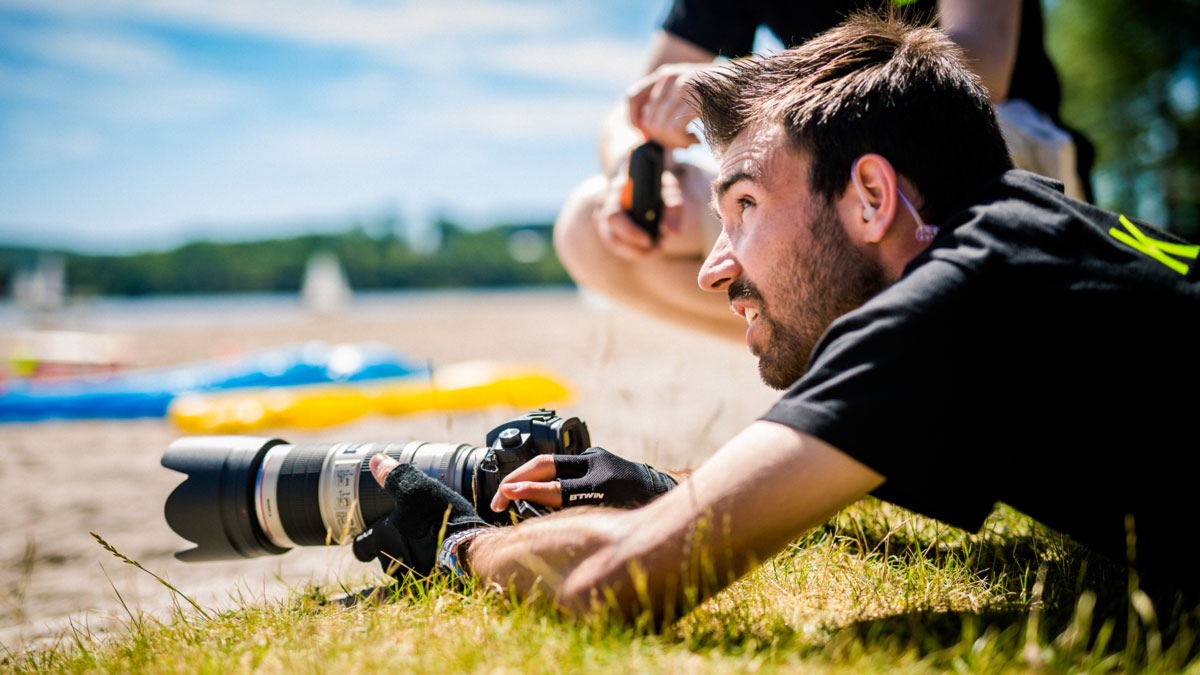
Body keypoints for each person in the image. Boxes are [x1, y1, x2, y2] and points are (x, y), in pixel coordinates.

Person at [351, 12, 1200, 623]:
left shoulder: (955, 301)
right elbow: (830, 464)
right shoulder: (1027, 232)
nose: (716, 265)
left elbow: (609, 582)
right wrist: (661, 489)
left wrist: (457, 546)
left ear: (870, 195)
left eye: (745, 206)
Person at [553, 0, 1094, 343]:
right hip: (827, 163)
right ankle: (839, 368)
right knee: (589, 227)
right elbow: (633, 109)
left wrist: (742, 80)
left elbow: (979, 65)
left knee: (824, 163)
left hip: (992, 147)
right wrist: (638, 171)